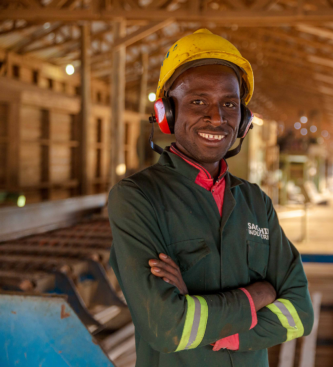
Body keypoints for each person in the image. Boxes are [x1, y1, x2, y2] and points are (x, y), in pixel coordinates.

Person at [108, 29, 314, 367]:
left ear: (244, 120)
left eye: (229, 104)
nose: (217, 118)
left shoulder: (255, 202)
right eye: (198, 101)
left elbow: (300, 313)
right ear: (167, 113)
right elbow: (166, 325)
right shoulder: (137, 198)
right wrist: (260, 294)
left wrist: (223, 327)